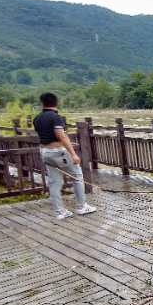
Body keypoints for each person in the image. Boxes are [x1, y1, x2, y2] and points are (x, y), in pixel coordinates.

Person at [33, 92, 96, 220]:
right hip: (59, 152)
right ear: (56, 103)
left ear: (42, 103)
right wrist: (73, 154)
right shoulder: (56, 117)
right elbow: (61, 135)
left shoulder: (37, 118)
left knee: (54, 182)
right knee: (77, 177)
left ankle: (59, 212)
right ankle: (81, 207)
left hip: (45, 152)